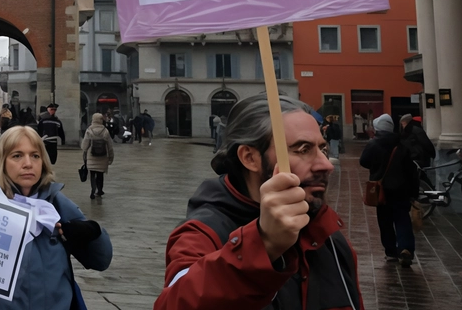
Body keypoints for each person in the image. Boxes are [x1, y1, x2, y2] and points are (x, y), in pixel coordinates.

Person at [155, 94, 362, 310]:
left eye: (323, 149)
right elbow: (174, 303)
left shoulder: (329, 238)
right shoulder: (203, 234)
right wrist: (264, 245)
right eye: (303, 149)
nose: (326, 165)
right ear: (250, 158)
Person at [0, 126, 113, 308]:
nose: (28, 163)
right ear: (2, 161)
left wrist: (93, 233)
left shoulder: (56, 204)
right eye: (17, 156)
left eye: (35, 155)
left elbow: (101, 261)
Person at [360, 114, 418, 268]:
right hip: (401, 188)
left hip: (381, 189)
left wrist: (376, 169)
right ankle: (405, 248)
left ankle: (391, 252)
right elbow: (411, 170)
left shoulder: (374, 144)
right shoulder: (401, 144)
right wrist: (414, 193)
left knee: (384, 220)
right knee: (402, 218)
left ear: (378, 127)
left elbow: (363, 161)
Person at [82, 112, 114, 199]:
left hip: (91, 156)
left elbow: (84, 146)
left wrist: (84, 155)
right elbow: (110, 146)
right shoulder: (105, 131)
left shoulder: (89, 130)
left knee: (92, 174)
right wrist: (111, 157)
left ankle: (93, 190)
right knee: (100, 174)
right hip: (103, 157)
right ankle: (99, 190)